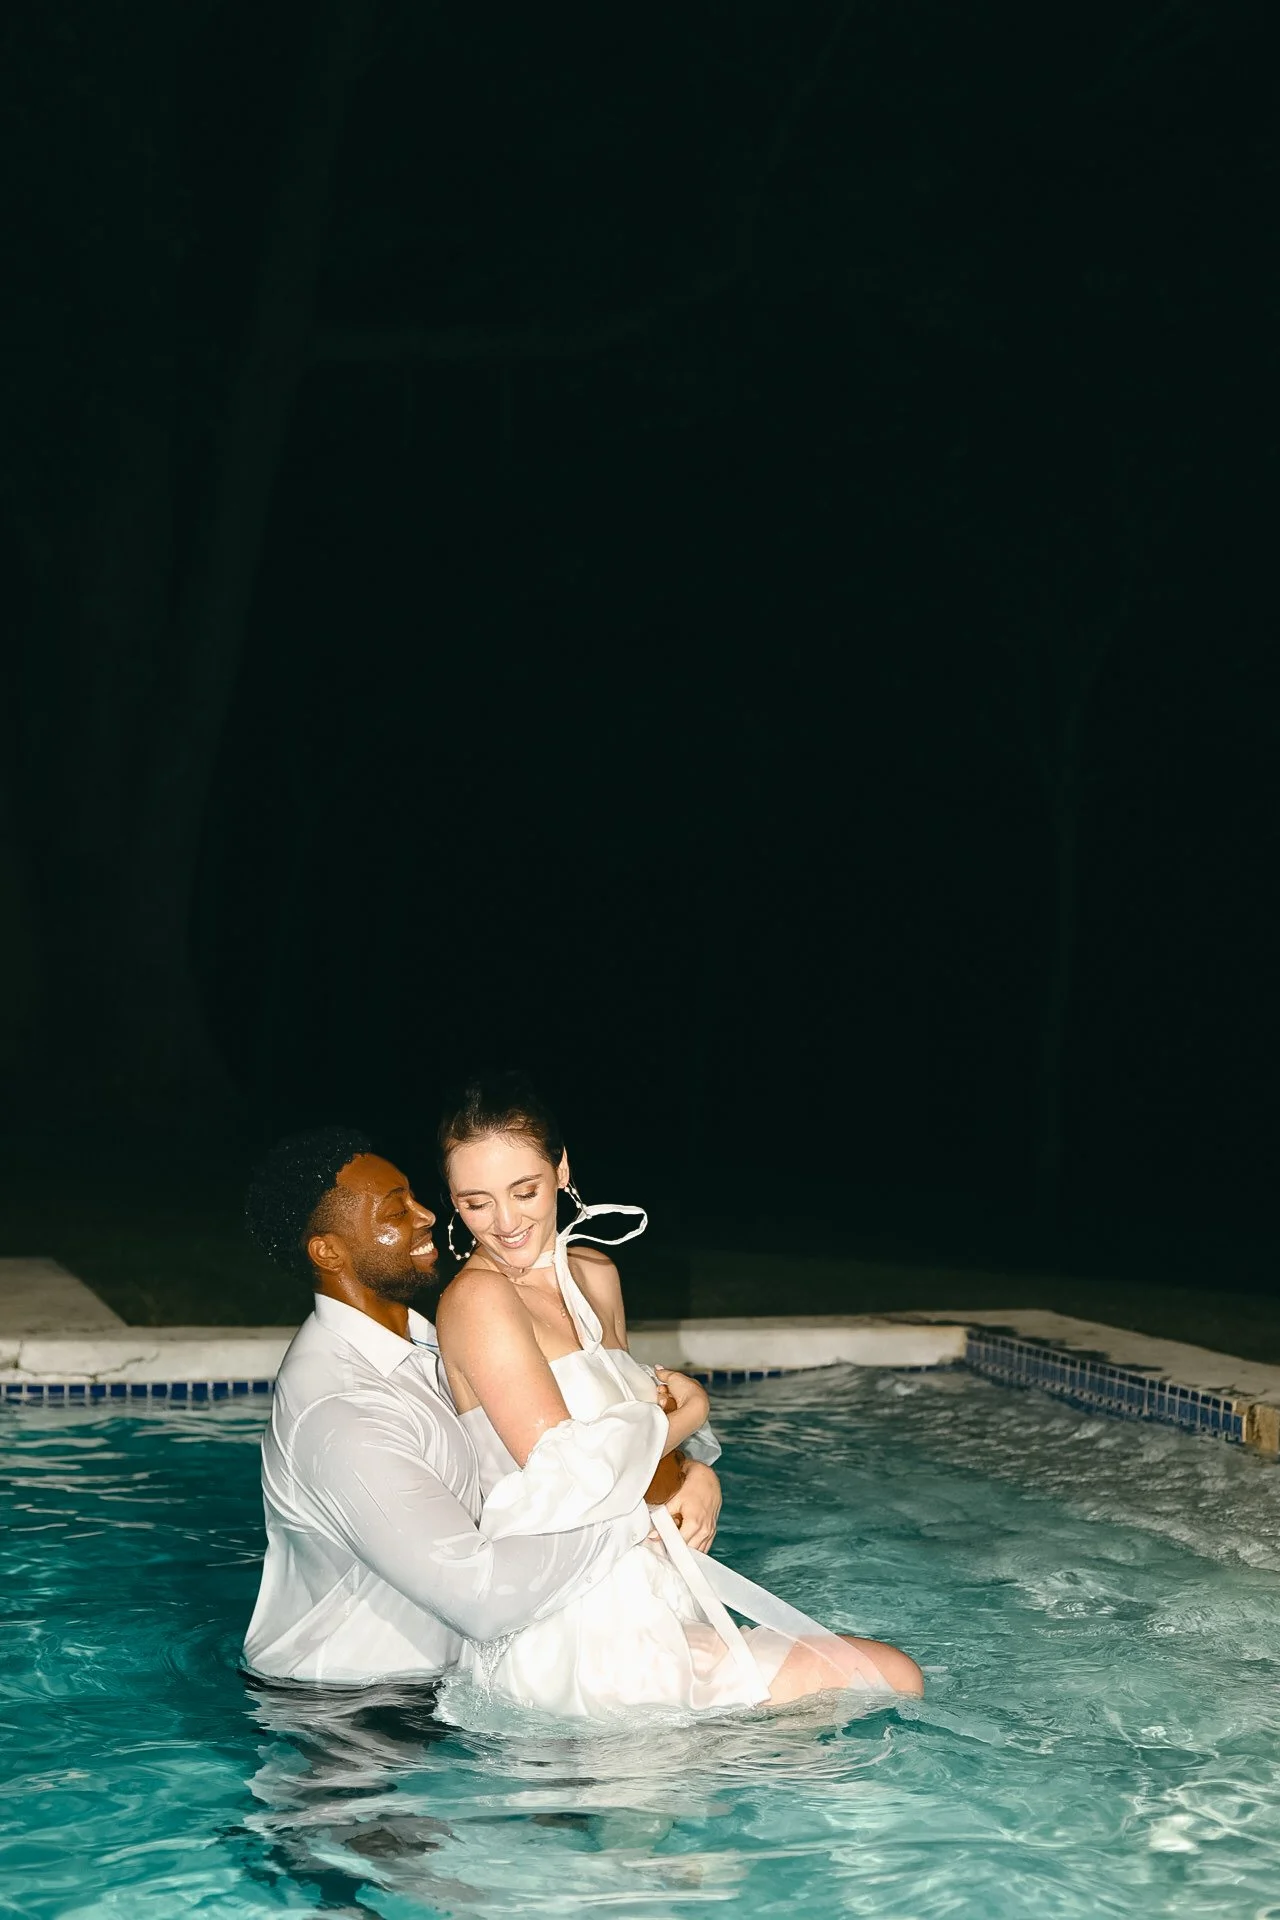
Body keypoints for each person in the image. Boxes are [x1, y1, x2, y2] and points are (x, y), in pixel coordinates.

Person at [434, 1072, 924, 1721]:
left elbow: (628, 1431)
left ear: (562, 1168)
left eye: (524, 1190)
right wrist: (692, 1415)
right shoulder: (477, 1300)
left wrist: (690, 1472)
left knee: (870, 1692)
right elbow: (571, 1472)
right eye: (475, 1202)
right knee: (888, 1678)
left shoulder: (598, 1276)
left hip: (655, 1582)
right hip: (572, 1617)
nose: (505, 1221)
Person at [240, 1127, 718, 1686]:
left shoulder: (427, 1342)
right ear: (328, 1251)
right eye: (396, 1212)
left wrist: (689, 1472)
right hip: (349, 1715)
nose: (425, 1216)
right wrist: (654, 1498)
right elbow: (484, 1600)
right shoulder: (340, 1413)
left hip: (450, 1688)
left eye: (417, 1197)